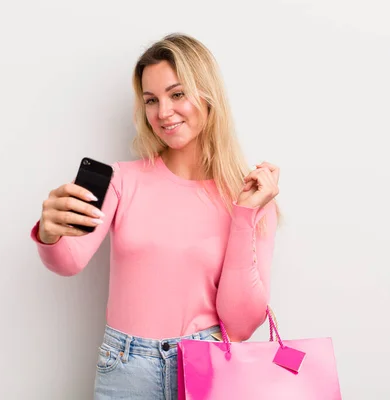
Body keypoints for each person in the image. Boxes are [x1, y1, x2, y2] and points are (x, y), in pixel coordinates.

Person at [30, 33, 280, 400]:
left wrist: (244, 215)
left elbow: (241, 324)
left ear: (208, 95)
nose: (163, 112)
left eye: (177, 94)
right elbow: (69, 262)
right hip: (125, 367)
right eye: (151, 100)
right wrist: (50, 234)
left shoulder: (251, 196)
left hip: (207, 366)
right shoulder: (120, 180)